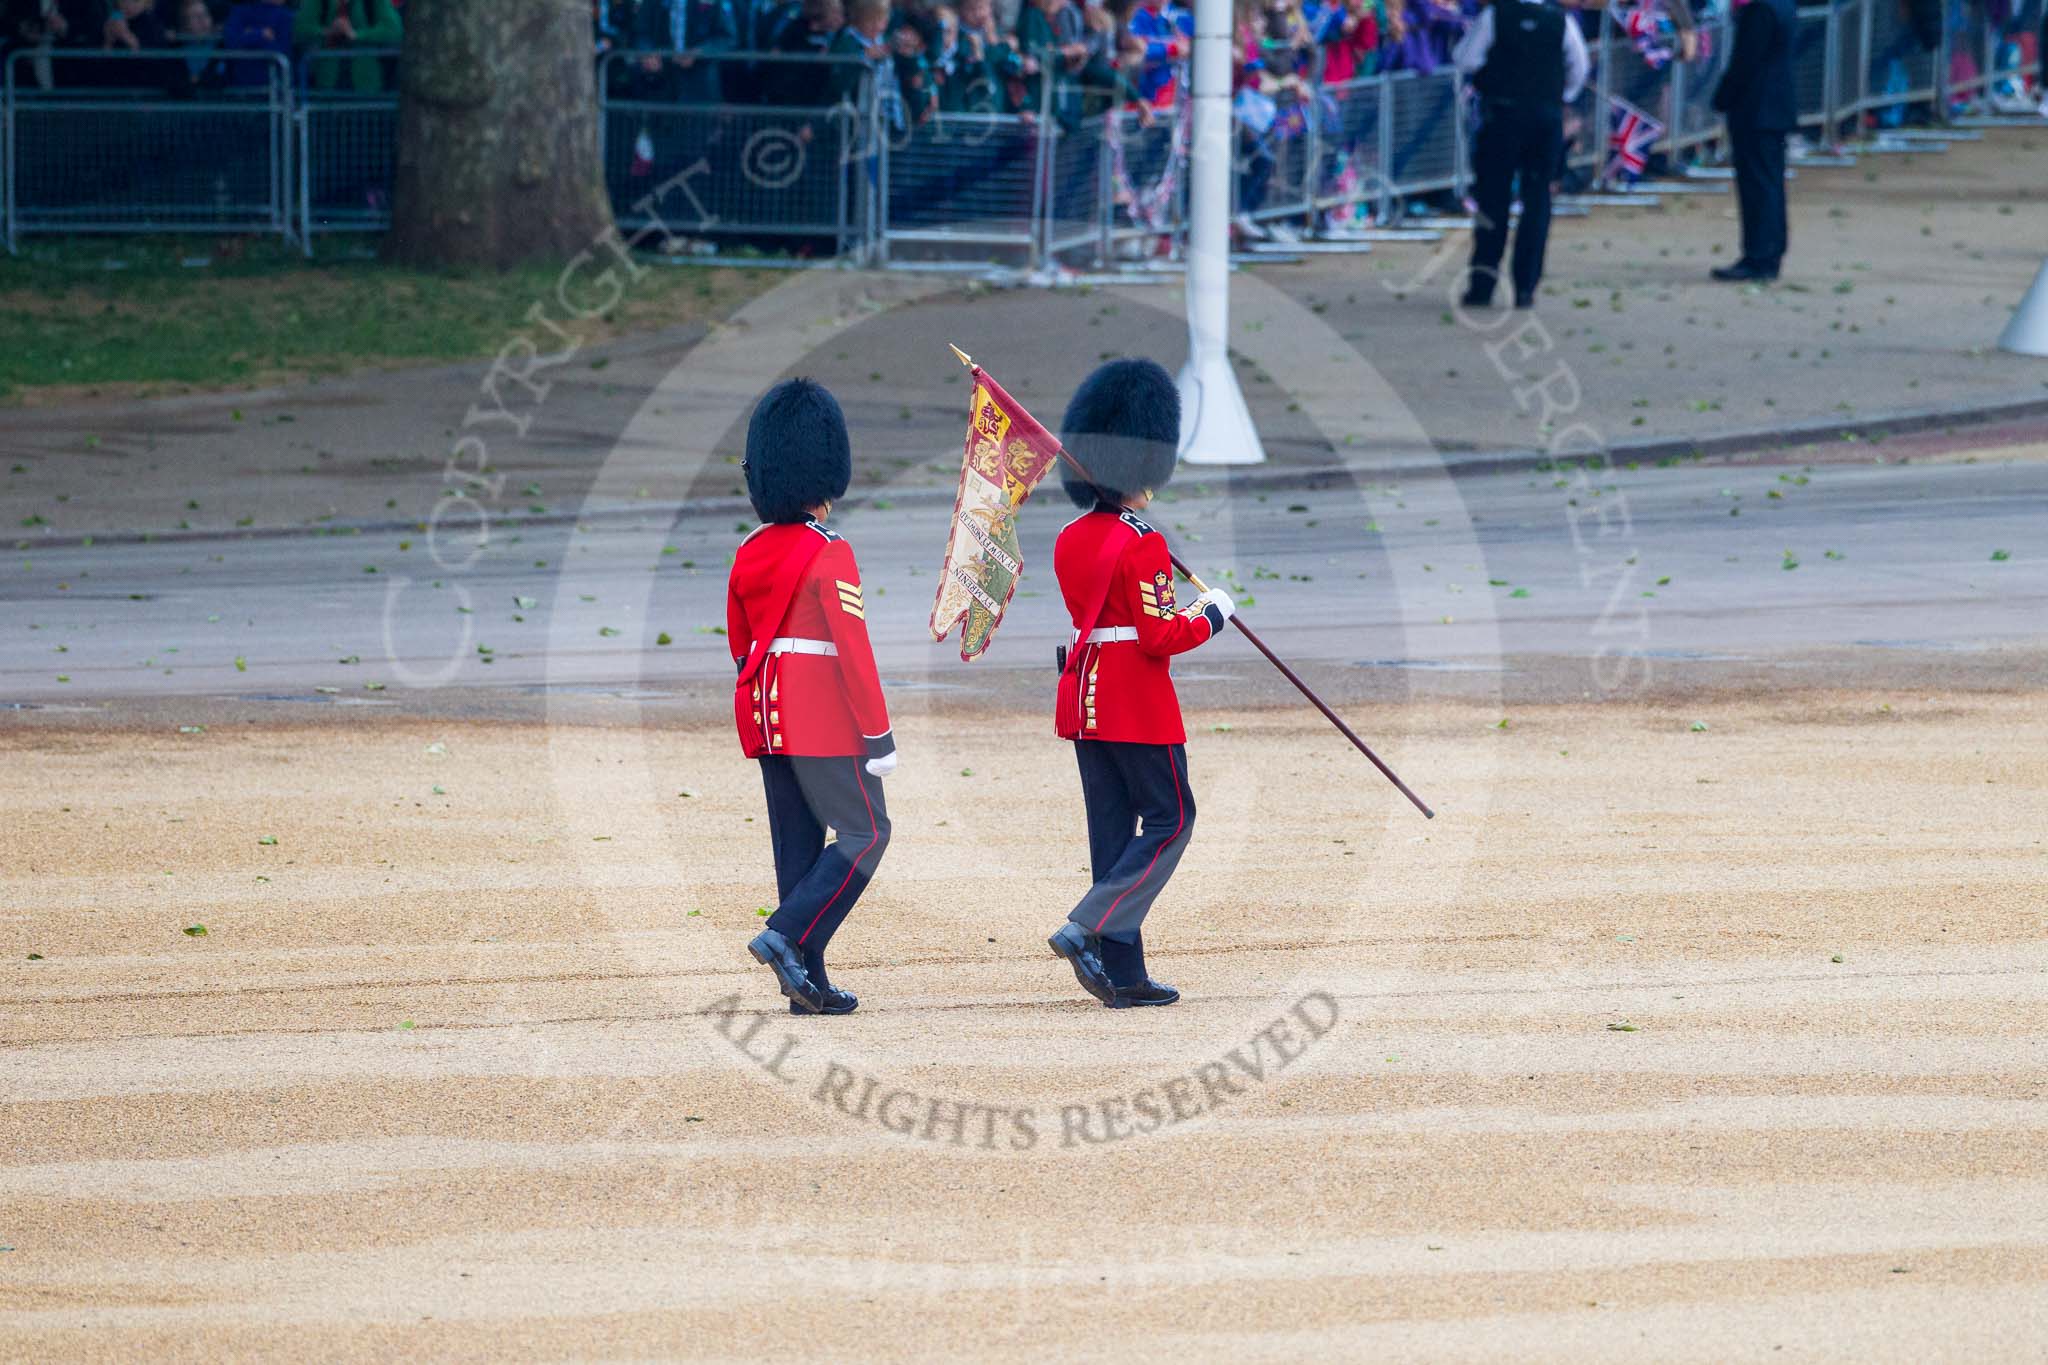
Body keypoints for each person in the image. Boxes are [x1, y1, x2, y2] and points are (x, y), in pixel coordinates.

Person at [1046, 358, 1236, 1010]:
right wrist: (1211, 615)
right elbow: (1158, 637)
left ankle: (1122, 971)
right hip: (1135, 700)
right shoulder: (1143, 543)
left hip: (1084, 700)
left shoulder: (1070, 536)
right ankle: (1087, 924)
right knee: (1170, 816)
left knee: (1112, 831)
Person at [729, 379, 897, 1017]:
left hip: (767, 716)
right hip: (821, 720)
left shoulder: (748, 550)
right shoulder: (831, 551)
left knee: (799, 850)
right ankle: (786, 935)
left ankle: (807, 982)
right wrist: (878, 736)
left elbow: (742, 646)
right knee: (867, 830)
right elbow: (853, 653)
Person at [1454, 0, 1588, 309]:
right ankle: (1526, 287)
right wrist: (1558, 96)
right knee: (1538, 201)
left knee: (1493, 200)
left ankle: (1482, 285)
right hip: (1545, 118)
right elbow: (1579, 67)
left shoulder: (1496, 15)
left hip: (1502, 115)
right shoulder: (1560, 21)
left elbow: (1466, 59)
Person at [1710, 0, 1795, 282]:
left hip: (1757, 108)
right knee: (1769, 183)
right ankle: (1768, 252)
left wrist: (1724, 96)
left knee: (1758, 185)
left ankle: (1759, 254)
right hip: (1772, 105)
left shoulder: (1760, 9)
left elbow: (1746, 60)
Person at [294, 0, 402, 94]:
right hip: (326, 85)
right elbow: (300, 29)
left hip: (367, 85)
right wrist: (328, 32)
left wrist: (356, 35)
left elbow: (393, 30)